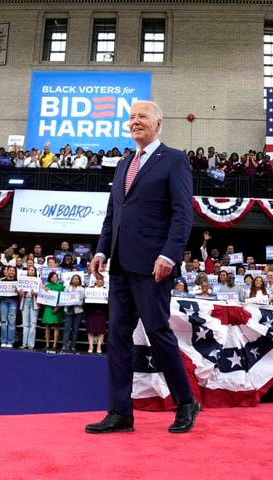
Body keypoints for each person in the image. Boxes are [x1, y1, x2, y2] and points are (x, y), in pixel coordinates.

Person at [87, 100, 200, 435]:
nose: (136, 122)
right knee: (117, 338)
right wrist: (102, 251)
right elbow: (113, 215)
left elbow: (183, 214)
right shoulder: (124, 163)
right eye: (132, 117)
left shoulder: (175, 160)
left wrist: (169, 255)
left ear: (159, 123)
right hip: (119, 266)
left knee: (158, 333)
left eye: (142, 117)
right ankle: (120, 411)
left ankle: (185, 402)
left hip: (154, 267)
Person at [61, 274, 85, 353]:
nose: (76, 280)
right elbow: (64, 298)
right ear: (71, 280)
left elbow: (82, 301)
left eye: (77, 279)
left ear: (79, 281)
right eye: (74, 278)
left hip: (78, 310)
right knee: (67, 329)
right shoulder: (67, 288)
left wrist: (80, 303)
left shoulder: (82, 289)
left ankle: (73, 346)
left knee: (75, 329)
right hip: (68, 309)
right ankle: (64, 346)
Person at [41, 271, 64, 352]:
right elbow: (43, 297)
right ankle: (47, 344)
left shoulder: (61, 286)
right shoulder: (46, 286)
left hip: (57, 307)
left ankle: (54, 344)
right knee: (47, 326)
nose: (54, 278)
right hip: (48, 308)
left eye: (55, 277)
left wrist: (57, 308)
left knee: (56, 327)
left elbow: (63, 298)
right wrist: (44, 290)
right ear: (50, 278)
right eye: (52, 277)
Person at [84, 275, 108, 354]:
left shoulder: (106, 290)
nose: (99, 281)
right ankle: (91, 346)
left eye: (101, 280)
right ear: (95, 281)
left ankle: (99, 346)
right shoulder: (89, 289)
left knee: (100, 331)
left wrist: (108, 299)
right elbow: (85, 301)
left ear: (103, 281)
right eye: (98, 279)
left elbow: (109, 304)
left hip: (101, 313)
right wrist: (85, 297)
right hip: (91, 312)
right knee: (90, 330)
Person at [19, 264, 40, 349]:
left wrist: (35, 293)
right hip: (25, 301)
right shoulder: (23, 280)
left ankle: (31, 344)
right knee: (25, 324)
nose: (31, 271)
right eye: (29, 270)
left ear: (35, 272)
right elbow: (19, 293)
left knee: (33, 324)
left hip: (33, 302)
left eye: (32, 270)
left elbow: (42, 293)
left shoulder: (38, 280)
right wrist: (20, 291)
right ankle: (24, 344)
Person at [0, 266, 19, 348]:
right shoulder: (2, 281)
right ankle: (3, 341)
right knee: (3, 322)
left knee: (11, 322)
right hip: (3, 302)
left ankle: (10, 341)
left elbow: (21, 294)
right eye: (9, 270)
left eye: (13, 271)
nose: (11, 272)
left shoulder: (17, 281)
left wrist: (18, 290)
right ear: (7, 271)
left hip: (13, 302)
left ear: (15, 272)